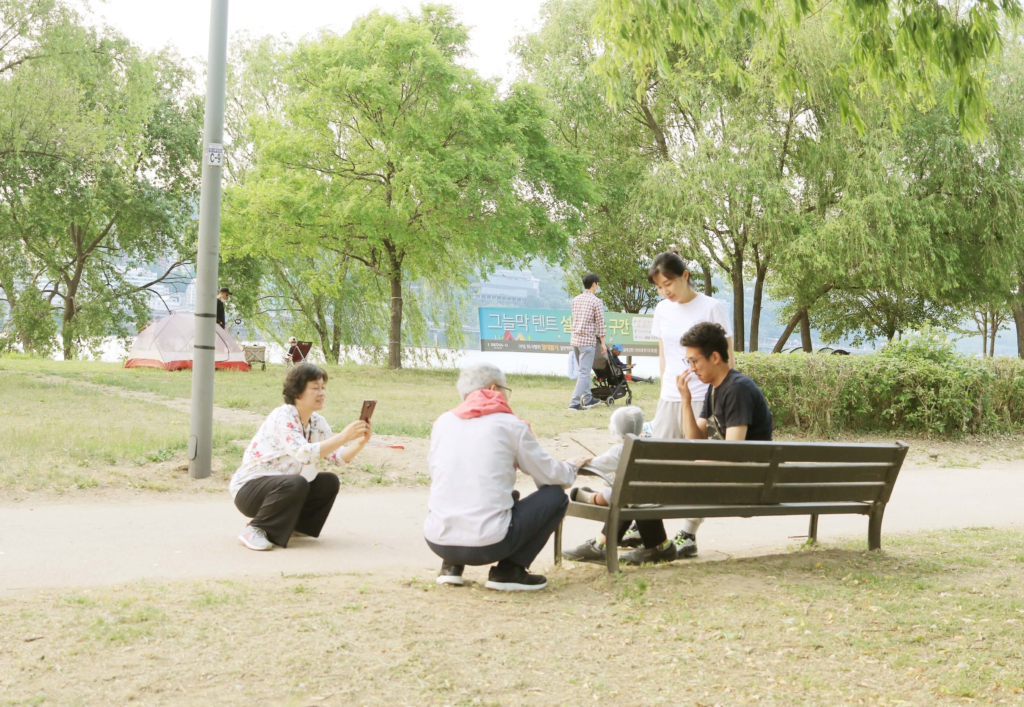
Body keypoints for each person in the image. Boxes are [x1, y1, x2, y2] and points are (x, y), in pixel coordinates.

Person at [594, 322, 773, 566]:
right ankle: (621, 544)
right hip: (735, 475)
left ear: (716, 357)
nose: (691, 368)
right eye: (688, 362)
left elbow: (734, 452)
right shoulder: (715, 389)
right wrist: (686, 400)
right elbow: (695, 439)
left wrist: (692, 464)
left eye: (695, 361)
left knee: (645, 475)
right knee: (644, 473)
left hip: (747, 482)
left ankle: (624, 545)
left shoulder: (737, 390)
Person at [424, 363, 590, 591]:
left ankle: (451, 568)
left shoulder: (443, 422)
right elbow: (549, 476)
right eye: (505, 390)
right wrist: (571, 467)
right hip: (488, 544)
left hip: (437, 540)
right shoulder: (510, 425)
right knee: (554, 496)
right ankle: (509, 571)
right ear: (494, 388)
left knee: (467, 486)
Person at [647, 251, 734, 558]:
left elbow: (727, 357)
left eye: (668, 283)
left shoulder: (712, 307)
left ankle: (688, 533)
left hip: (703, 397)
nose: (665, 291)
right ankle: (646, 525)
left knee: (700, 467)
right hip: (671, 395)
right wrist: (664, 385)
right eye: (659, 287)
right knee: (656, 462)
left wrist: (720, 395)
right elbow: (664, 353)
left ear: (685, 275)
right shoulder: (661, 309)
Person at [230, 363, 372, 551]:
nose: (322, 393)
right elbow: (303, 453)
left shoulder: (316, 421)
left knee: (328, 481)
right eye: (315, 388)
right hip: (249, 490)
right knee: (297, 483)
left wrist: (360, 442)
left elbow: (338, 457)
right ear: (297, 392)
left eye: (323, 388)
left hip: (281, 488)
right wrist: (344, 436)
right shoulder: (283, 415)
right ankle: (255, 529)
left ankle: (296, 526)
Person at [561, 406, 675, 565]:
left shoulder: (621, 450)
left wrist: (574, 462)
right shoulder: (649, 445)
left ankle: (600, 542)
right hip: (657, 497)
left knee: (625, 494)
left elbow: (595, 465)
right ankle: (659, 546)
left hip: (638, 500)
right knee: (629, 492)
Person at [569, 273, 607, 410]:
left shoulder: (576, 300)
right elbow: (600, 324)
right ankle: (574, 403)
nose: (598, 286)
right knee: (584, 373)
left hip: (575, 340)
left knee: (582, 372)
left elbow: (575, 319)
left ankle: (588, 398)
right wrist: (603, 343)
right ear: (594, 284)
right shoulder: (596, 301)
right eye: (598, 284)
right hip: (587, 341)